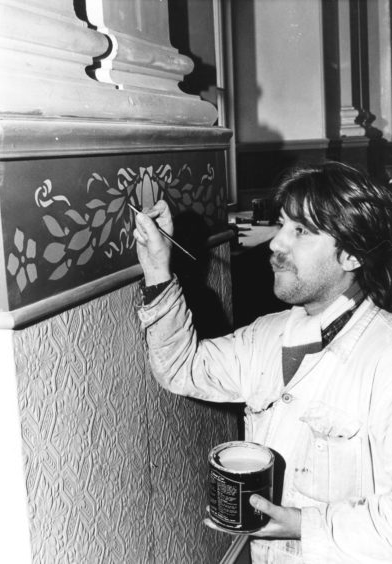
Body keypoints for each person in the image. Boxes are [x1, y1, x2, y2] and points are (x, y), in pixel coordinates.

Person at [134, 161, 392, 563]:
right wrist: (157, 268)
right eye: (282, 226)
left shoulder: (384, 357)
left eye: (300, 231)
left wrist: (301, 525)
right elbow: (181, 369)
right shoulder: (268, 333)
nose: (275, 244)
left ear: (353, 256)